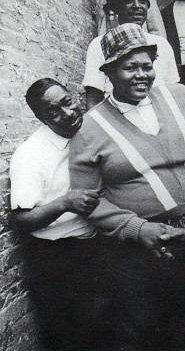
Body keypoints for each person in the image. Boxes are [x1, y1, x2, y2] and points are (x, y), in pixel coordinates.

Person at [69, 23, 185, 351]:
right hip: (138, 255)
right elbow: (88, 201)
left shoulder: (179, 96)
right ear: (109, 72)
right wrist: (140, 230)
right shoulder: (90, 128)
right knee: (144, 332)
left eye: (147, 66)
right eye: (129, 67)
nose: (141, 75)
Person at [10, 79, 101, 351]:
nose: (68, 114)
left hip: (94, 243)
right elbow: (21, 220)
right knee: (69, 336)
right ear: (41, 118)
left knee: (102, 328)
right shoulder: (30, 156)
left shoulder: (89, 130)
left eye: (68, 102)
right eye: (54, 112)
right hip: (57, 257)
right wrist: (64, 203)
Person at [82, 0, 180, 110]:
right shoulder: (99, 44)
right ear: (116, 7)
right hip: (118, 118)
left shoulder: (161, 44)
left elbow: (174, 91)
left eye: (142, 1)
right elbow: (93, 96)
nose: (137, 6)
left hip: (158, 117)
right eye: (128, 0)